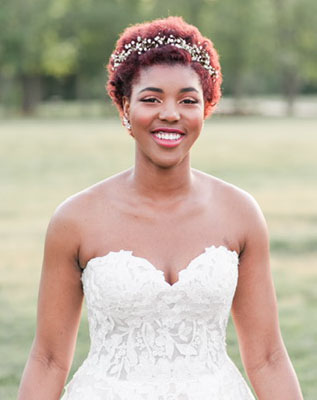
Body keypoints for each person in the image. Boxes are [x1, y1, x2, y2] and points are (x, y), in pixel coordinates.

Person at [18, 16, 303, 400]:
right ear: (124, 106)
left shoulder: (241, 214)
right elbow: (49, 359)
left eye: (188, 100)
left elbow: (267, 358)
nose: (170, 114)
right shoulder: (75, 220)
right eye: (151, 99)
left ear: (206, 109)